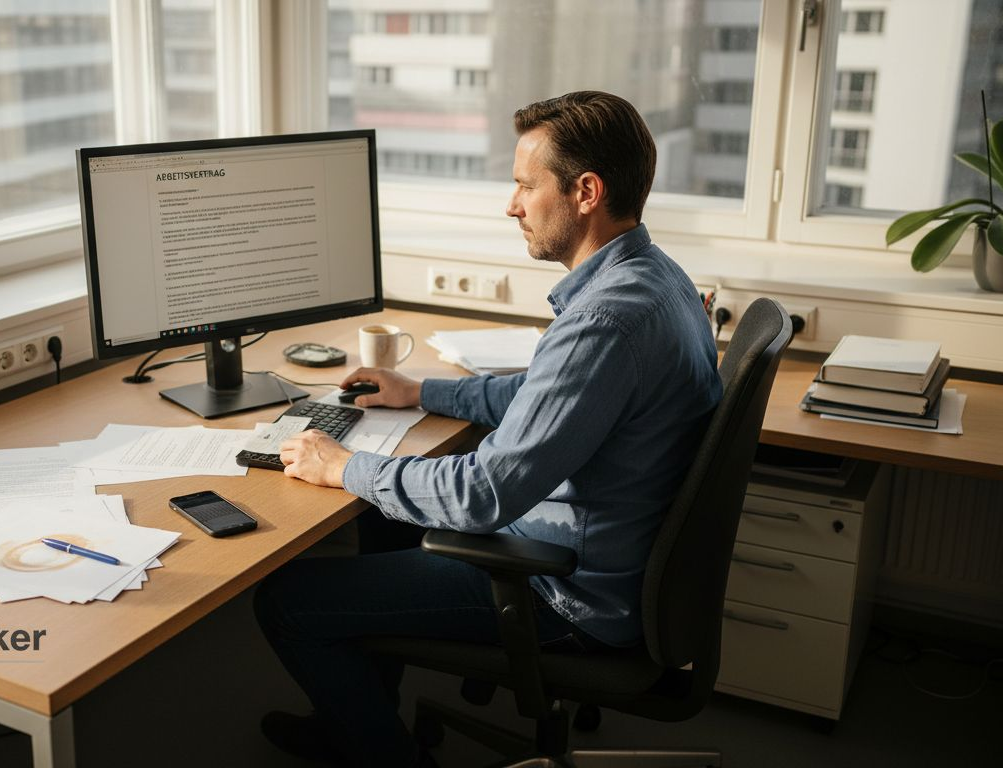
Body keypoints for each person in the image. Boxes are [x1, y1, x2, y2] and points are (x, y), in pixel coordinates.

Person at [253, 90, 722, 767]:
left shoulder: (604, 321)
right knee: (383, 520)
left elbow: (484, 495)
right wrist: (423, 391)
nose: (512, 205)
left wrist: (342, 466)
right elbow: (546, 396)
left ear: (586, 192)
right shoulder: (658, 280)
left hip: (565, 592)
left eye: (526, 186)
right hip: (612, 559)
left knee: (287, 601)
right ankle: (354, 729)